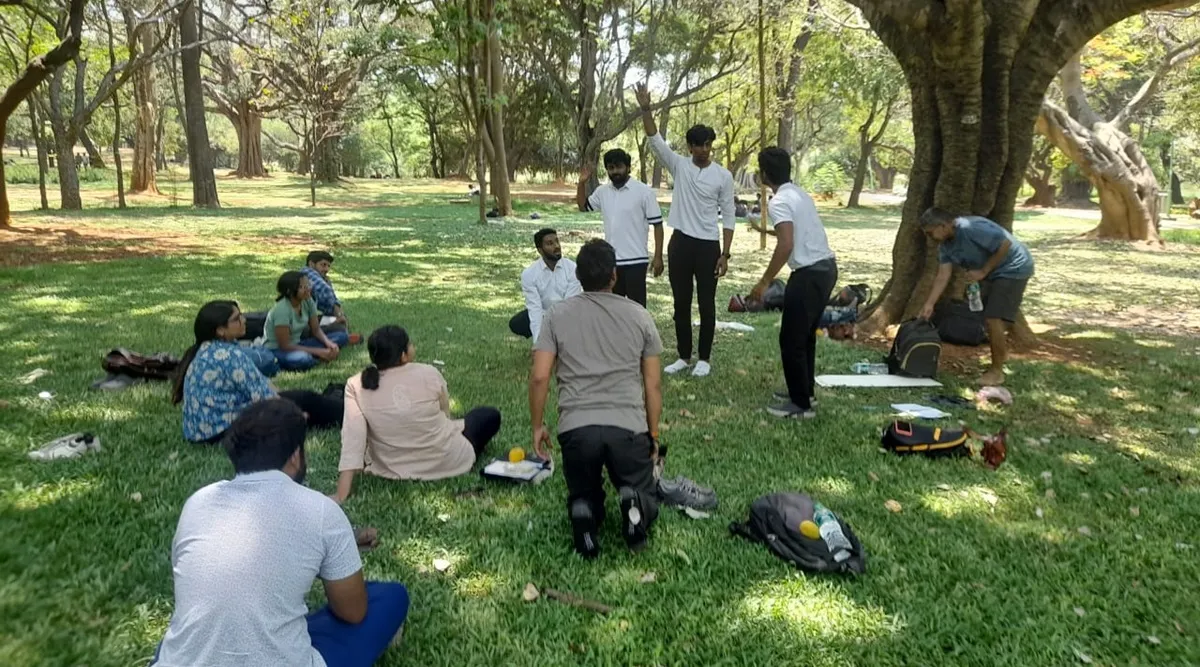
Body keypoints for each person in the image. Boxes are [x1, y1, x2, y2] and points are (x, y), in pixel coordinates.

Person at [151, 400, 410, 667]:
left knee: (184, 640)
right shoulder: (322, 511)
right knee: (388, 597)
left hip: (180, 660)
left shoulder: (198, 502)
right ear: (296, 456)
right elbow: (353, 613)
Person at [529, 239, 663, 559]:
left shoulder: (557, 315)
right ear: (614, 276)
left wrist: (538, 427)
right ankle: (634, 505)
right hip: (627, 428)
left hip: (577, 429)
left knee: (583, 490)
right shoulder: (640, 316)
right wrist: (653, 435)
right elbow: (653, 384)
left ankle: (584, 514)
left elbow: (539, 376)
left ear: (577, 275)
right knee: (640, 488)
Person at [332, 326, 502, 502]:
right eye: (410, 344)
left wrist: (341, 493)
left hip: (391, 467)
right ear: (404, 355)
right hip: (448, 460)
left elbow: (354, 438)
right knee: (488, 415)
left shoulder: (356, 384)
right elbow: (445, 416)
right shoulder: (428, 372)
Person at [635, 82, 736, 377]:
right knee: (681, 303)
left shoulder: (723, 176)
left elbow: (729, 216)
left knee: (706, 303)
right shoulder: (679, 166)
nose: (704, 150)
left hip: (708, 246)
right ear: (690, 146)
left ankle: (704, 358)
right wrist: (645, 108)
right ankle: (683, 356)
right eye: (699, 145)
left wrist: (725, 254)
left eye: (708, 145)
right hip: (679, 243)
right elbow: (654, 139)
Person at [748, 148, 838, 420]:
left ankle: (801, 406)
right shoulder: (798, 194)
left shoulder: (778, 202)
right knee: (805, 336)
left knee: (791, 339)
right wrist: (763, 230)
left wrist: (764, 282)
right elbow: (793, 231)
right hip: (826, 269)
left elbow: (786, 244)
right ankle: (805, 392)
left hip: (808, 274)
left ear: (764, 174)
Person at [173, 301, 344, 443]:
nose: (244, 320)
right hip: (223, 432)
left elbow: (261, 384)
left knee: (301, 398)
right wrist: (296, 415)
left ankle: (334, 397)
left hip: (202, 432)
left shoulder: (205, 349)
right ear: (220, 330)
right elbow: (268, 400)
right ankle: (349, 409)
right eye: (236, 319)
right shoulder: (229, 356)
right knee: (307, 400)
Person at [918, 208, 1035, 386]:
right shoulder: (945, 246)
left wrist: (983, 271)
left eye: (930, 232)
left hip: (1014, 268)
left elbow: (1004, 244)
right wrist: (929, 304)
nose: (929, 237)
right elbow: (943, 275)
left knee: (993, 318)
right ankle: (999, 359)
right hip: (992, 274)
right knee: (987, 317)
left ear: (942, 226)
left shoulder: (971, 228)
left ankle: (997, 371)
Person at [576, 149, 664, 307]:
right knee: (613, 309)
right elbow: (583, 206)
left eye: (619, 167)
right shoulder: (603, 192)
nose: (615, 171)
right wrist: (582, 182)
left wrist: (658, 257)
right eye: (611, 168)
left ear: (628, 167)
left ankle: (638, 333)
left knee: (637, 308)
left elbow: (657, 225)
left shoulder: (644, 192)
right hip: (611, 262)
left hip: (637, 261)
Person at [265, 271, 350, 372]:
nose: (308, 289)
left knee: (341, 336)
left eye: (308, 285)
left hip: (299, 343)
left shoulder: (308, 301)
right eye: (302, 287)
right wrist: (319, 351)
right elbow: (285, 345)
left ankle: (321, 354)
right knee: (303, 359)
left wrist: (329, 343)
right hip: (279, 349)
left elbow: (316, 329)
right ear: (289, 291)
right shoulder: (281, 310)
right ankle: (317, 358)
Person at [509, 228, 582, 343]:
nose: (557, 246)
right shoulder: (530, 274)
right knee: (517, 323)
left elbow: (569, 304)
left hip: (569, 314)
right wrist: (538, 344)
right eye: (550, 243)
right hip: (545, 314)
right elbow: (535, 308)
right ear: (540, 250)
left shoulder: (573, 269)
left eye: (557, 241)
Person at [300, 251, 360, 343]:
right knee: (337, 327)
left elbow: (330, 306)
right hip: (299, 324)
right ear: (311, 264)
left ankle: (340, 335)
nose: (326, 269)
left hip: (308, 319)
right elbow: (326, 291)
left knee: (337, 323)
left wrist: (339, 316)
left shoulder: (321, 278)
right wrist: (339, 316)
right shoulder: (307, 272)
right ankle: (340, 338)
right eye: (323, 265)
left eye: (328, 266)